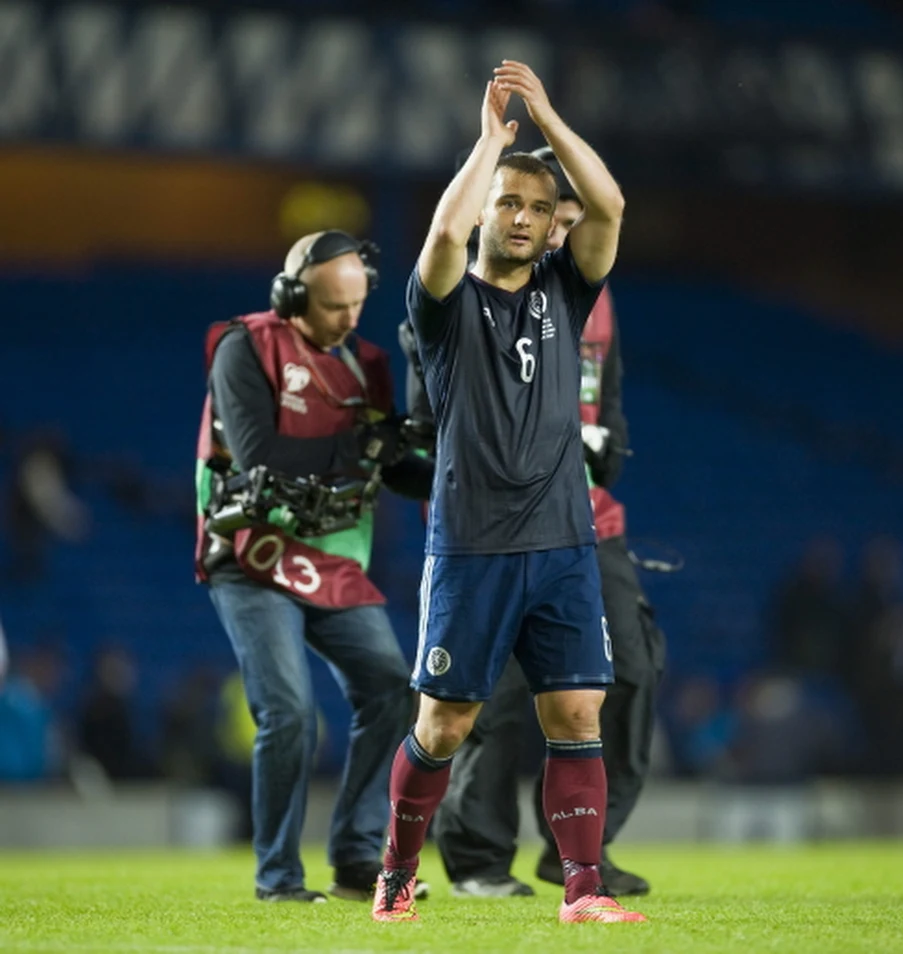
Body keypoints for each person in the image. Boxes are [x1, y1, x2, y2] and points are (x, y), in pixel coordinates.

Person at [374, 61, 644, 924]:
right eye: (509, 203)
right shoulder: (443, 308)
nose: (523, 218)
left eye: (535, 207)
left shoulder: (568, 288)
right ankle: (395, 875)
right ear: (486, 208)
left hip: (563, 538)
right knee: (446, 724)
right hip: (473, 543)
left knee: (575, 709)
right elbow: (442, 240)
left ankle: (582, 890)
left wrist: (551, 120)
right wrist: (490, 145)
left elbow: (609, 208)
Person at [195, 230, 432, 903]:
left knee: (391, 686)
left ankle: (358, 858)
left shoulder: (365, 365)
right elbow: (260, 455)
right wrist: (365, 441)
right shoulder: (245, 346)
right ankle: (278, 878)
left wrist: (437, 457)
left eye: (358, 305)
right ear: (292, 294)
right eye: (334, 307)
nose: (350, 320)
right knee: (290, 713)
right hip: (250, 552)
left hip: (329, 560)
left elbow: (392, 468)